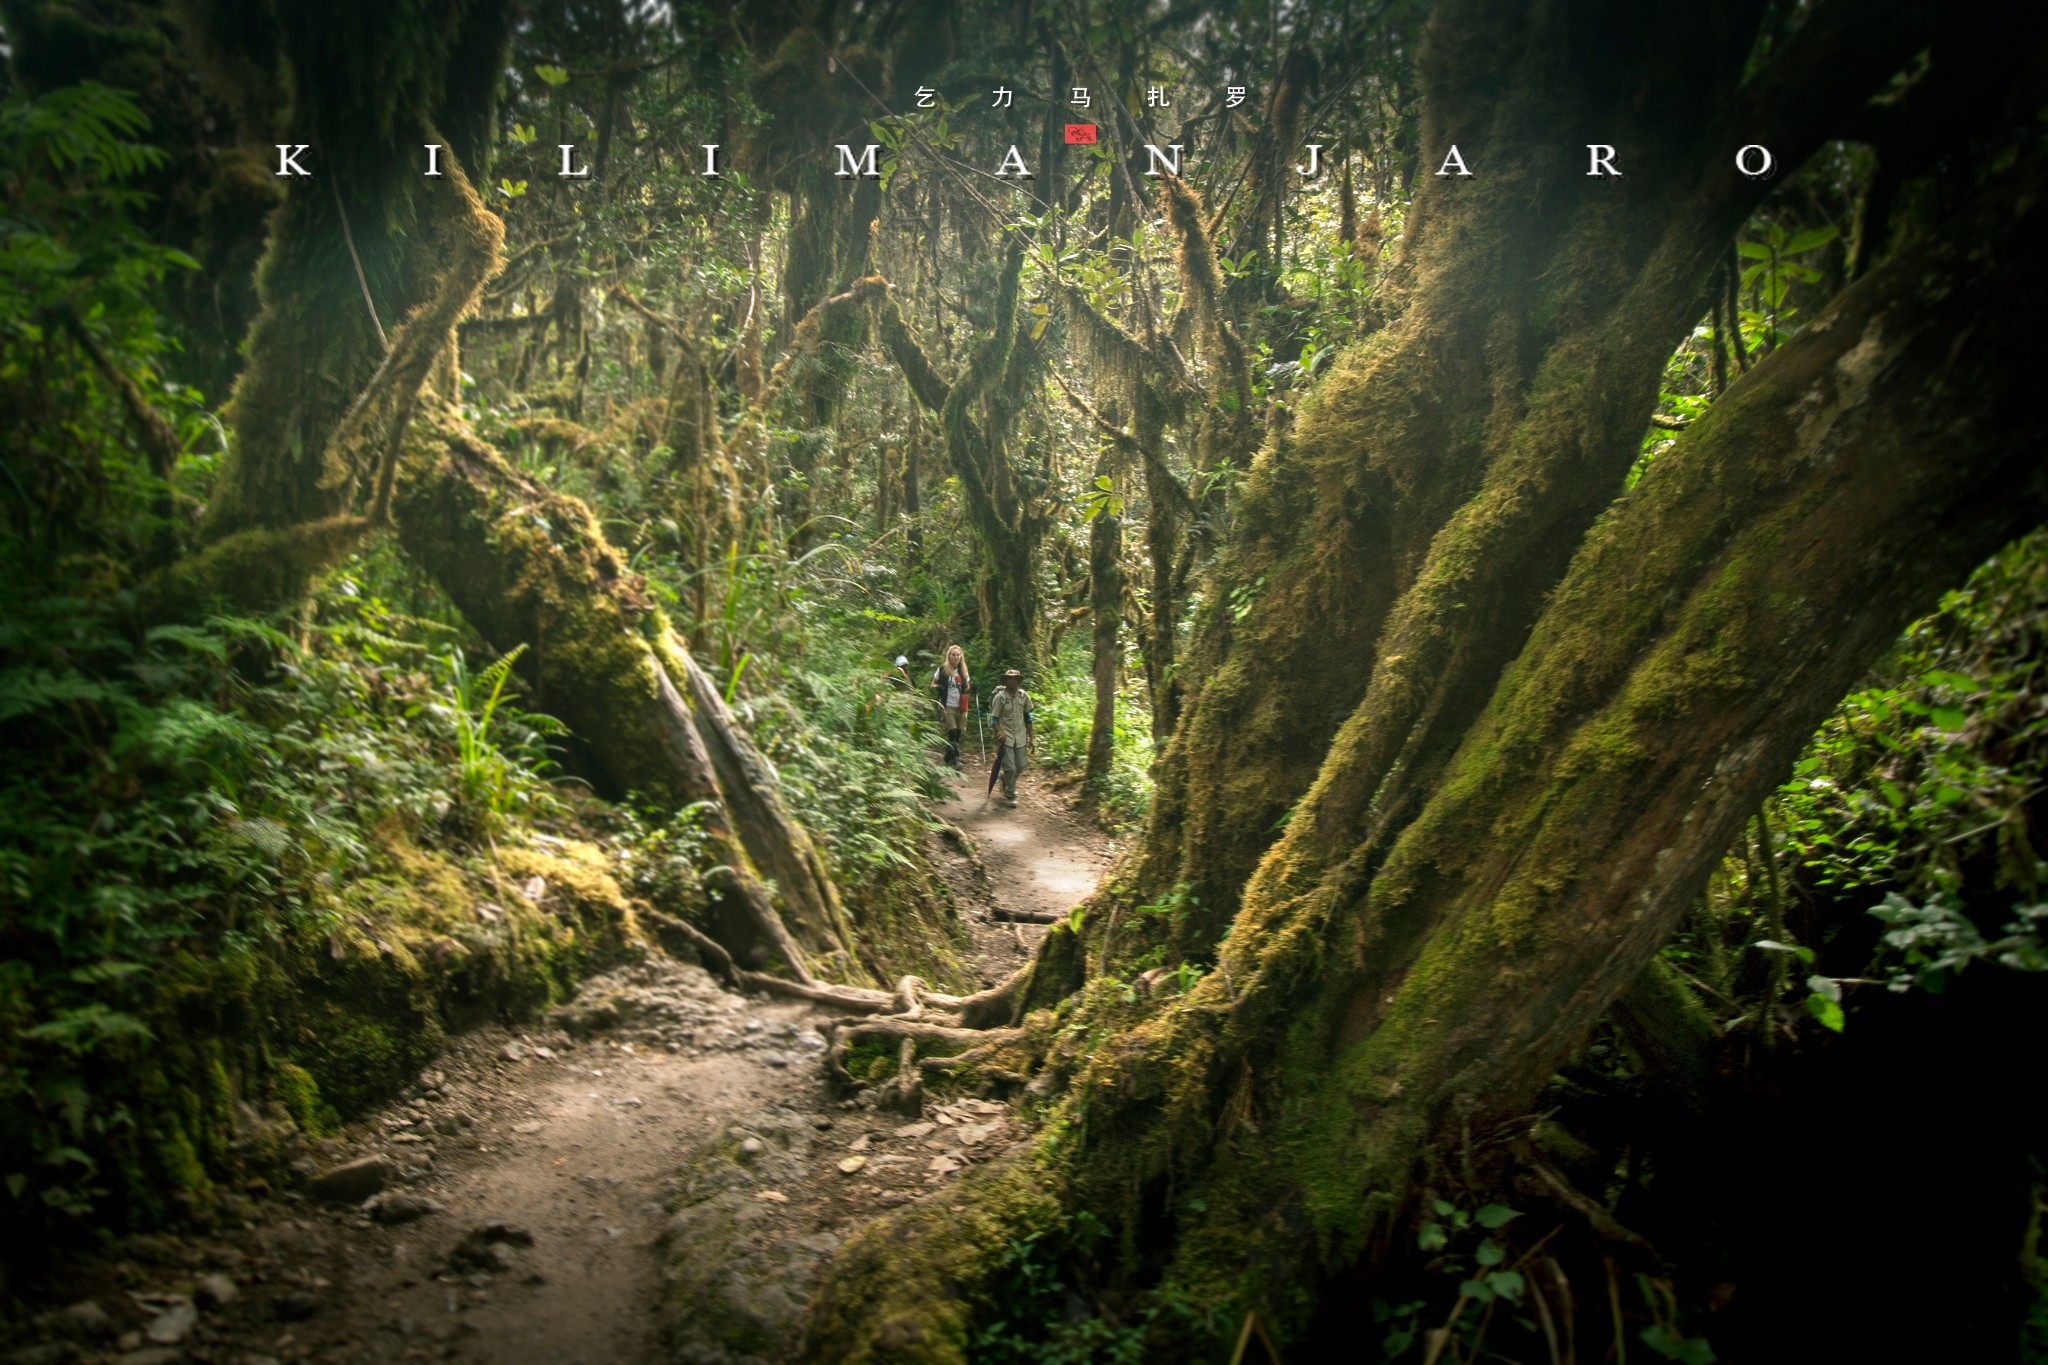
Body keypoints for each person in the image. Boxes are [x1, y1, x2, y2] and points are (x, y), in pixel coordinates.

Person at [988, 668, 1034, 808]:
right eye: (1009, 678)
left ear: (1018, 680)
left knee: (1021, 765)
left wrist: (1031, 738)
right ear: (1006, 680)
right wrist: (1000, 732)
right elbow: (994, 719)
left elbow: (1028, 718)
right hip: (1005, 737)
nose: (1012, 681)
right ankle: (1011, 795)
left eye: (1015, 679)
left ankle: (1004, 779)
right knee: (1010, 767)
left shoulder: (1023, 696)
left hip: (1020, 736)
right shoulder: (999, 697)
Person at [929, 645, 971, 769]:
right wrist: (938, 687)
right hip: (948, 705)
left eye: (958, 655)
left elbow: (967, 688)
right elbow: (932, 685)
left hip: (961, 706)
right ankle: (955, 760)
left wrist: (972, 689)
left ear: (961, 656)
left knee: (958, 733)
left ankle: (949, 757)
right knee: (952, 732)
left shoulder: (963, 671)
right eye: (953, 655)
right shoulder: (942, 669)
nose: (956, 657)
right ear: (949, 656)